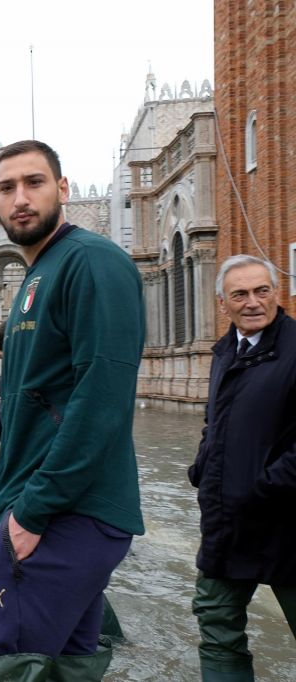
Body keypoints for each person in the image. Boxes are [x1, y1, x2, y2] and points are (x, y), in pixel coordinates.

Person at [0, 140, 145, 680]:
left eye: (34, 183)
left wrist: (32, 512)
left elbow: (102, 398)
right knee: (67, 667)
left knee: (7, 668)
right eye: (6, 188)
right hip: (46, 505)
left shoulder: (90, 261)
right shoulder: (39, 273)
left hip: (62, 513)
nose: (20, 198)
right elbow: (45, 394)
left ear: (62, 189)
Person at [188, 254, 296, 681]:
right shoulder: (225, 351)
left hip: (287, 525)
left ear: (276, 293)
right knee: (217, 628)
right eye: (240, 294)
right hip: (226, 523)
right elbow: (216, 421)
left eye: (262, 290)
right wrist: (203, 465)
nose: (253, 302)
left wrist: (263, 486)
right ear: (223, 304)